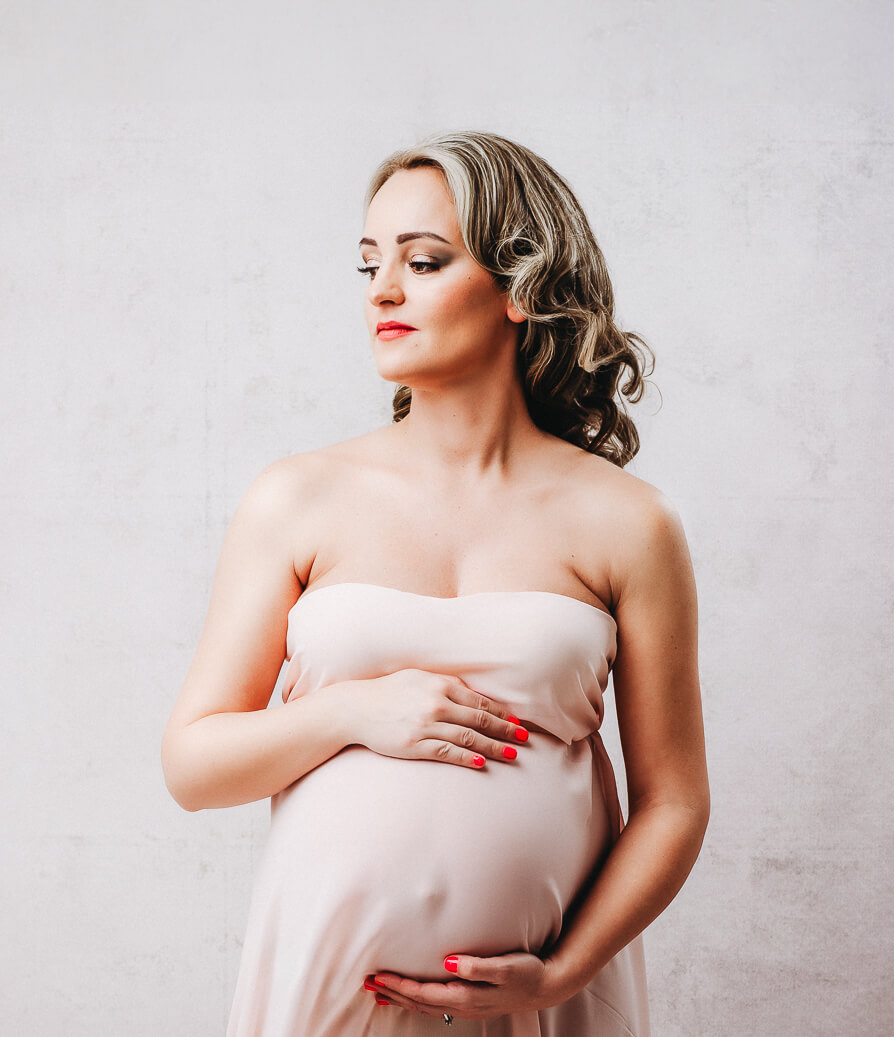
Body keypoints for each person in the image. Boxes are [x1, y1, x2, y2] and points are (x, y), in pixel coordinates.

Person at [159, 131, 709, 1036]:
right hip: (329, 986)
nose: (381, 289)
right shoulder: (298, 497)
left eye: (422, 261)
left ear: (523, 290)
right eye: (370, 262)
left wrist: (560, 971)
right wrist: (355, 711)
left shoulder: (630, 522)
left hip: (539, 1000)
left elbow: (676, 800)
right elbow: (192, 763)